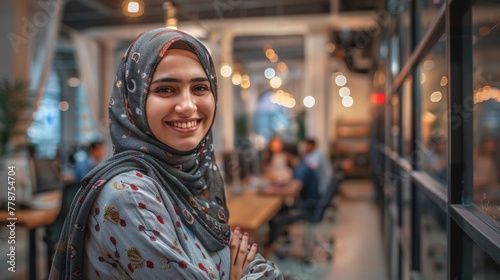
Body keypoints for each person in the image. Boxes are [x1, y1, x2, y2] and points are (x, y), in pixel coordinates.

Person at [49, 29, 282, 280]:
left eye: (200, 87)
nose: (187, 106)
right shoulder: (128, 194)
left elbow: (258, 267)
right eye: (165, 90)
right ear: (133, 102)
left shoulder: (193, 177)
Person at [262, 143, 320, 245]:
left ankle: (269, 246)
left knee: (276, 216)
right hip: (307, 203)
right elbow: (294, 183)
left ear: (288, 155)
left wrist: (272, 191)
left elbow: (293, 190)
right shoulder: (300, 166)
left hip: (307, 207)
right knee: (279, 210)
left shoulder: (301, 169)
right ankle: (281, 237)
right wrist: (281, 184)